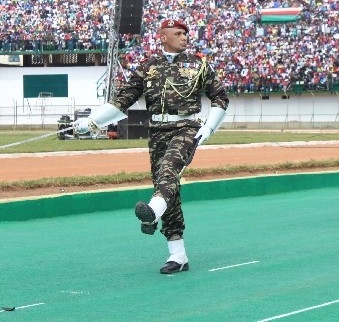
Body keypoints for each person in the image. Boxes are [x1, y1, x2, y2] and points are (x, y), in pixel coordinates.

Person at [74, 19, 229, 273]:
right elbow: (122, 101)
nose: (184, 37)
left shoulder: (199, 64)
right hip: (157, 131)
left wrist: (209, 128)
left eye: (185, 33)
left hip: (188, 127)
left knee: (168, 171)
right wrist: (92, 122)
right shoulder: (148, 67)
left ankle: (153, 212)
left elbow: (220, 97)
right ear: (163, 37)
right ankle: (178, 256)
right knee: (168, 189)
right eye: (178, 33)